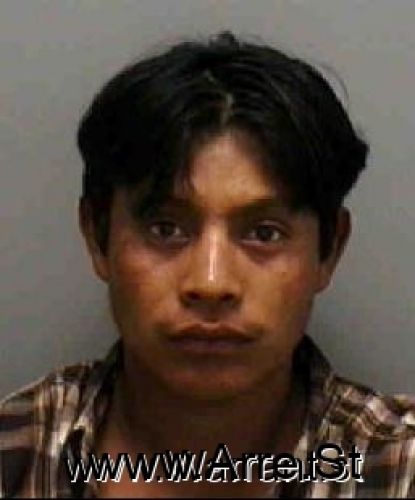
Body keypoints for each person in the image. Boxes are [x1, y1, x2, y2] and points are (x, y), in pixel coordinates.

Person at [1, 32, 414, 498]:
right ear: (98, 238)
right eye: (165, 229)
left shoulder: (396, 469)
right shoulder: (16, 456)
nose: (211, 282)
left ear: (329, 250)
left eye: (264, 233)